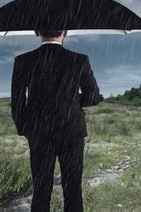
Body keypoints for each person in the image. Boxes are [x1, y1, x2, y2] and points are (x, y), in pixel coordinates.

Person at [11, 29, 100, 212]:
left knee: (41, 188)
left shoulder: (23, 61)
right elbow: (93, 97)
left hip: (39, 132)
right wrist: (73, 102)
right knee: (73, 187)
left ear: (36, 32)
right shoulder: (79, 59)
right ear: (65, 32)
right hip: (71, 130)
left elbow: (18, 101)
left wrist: (26, 129)